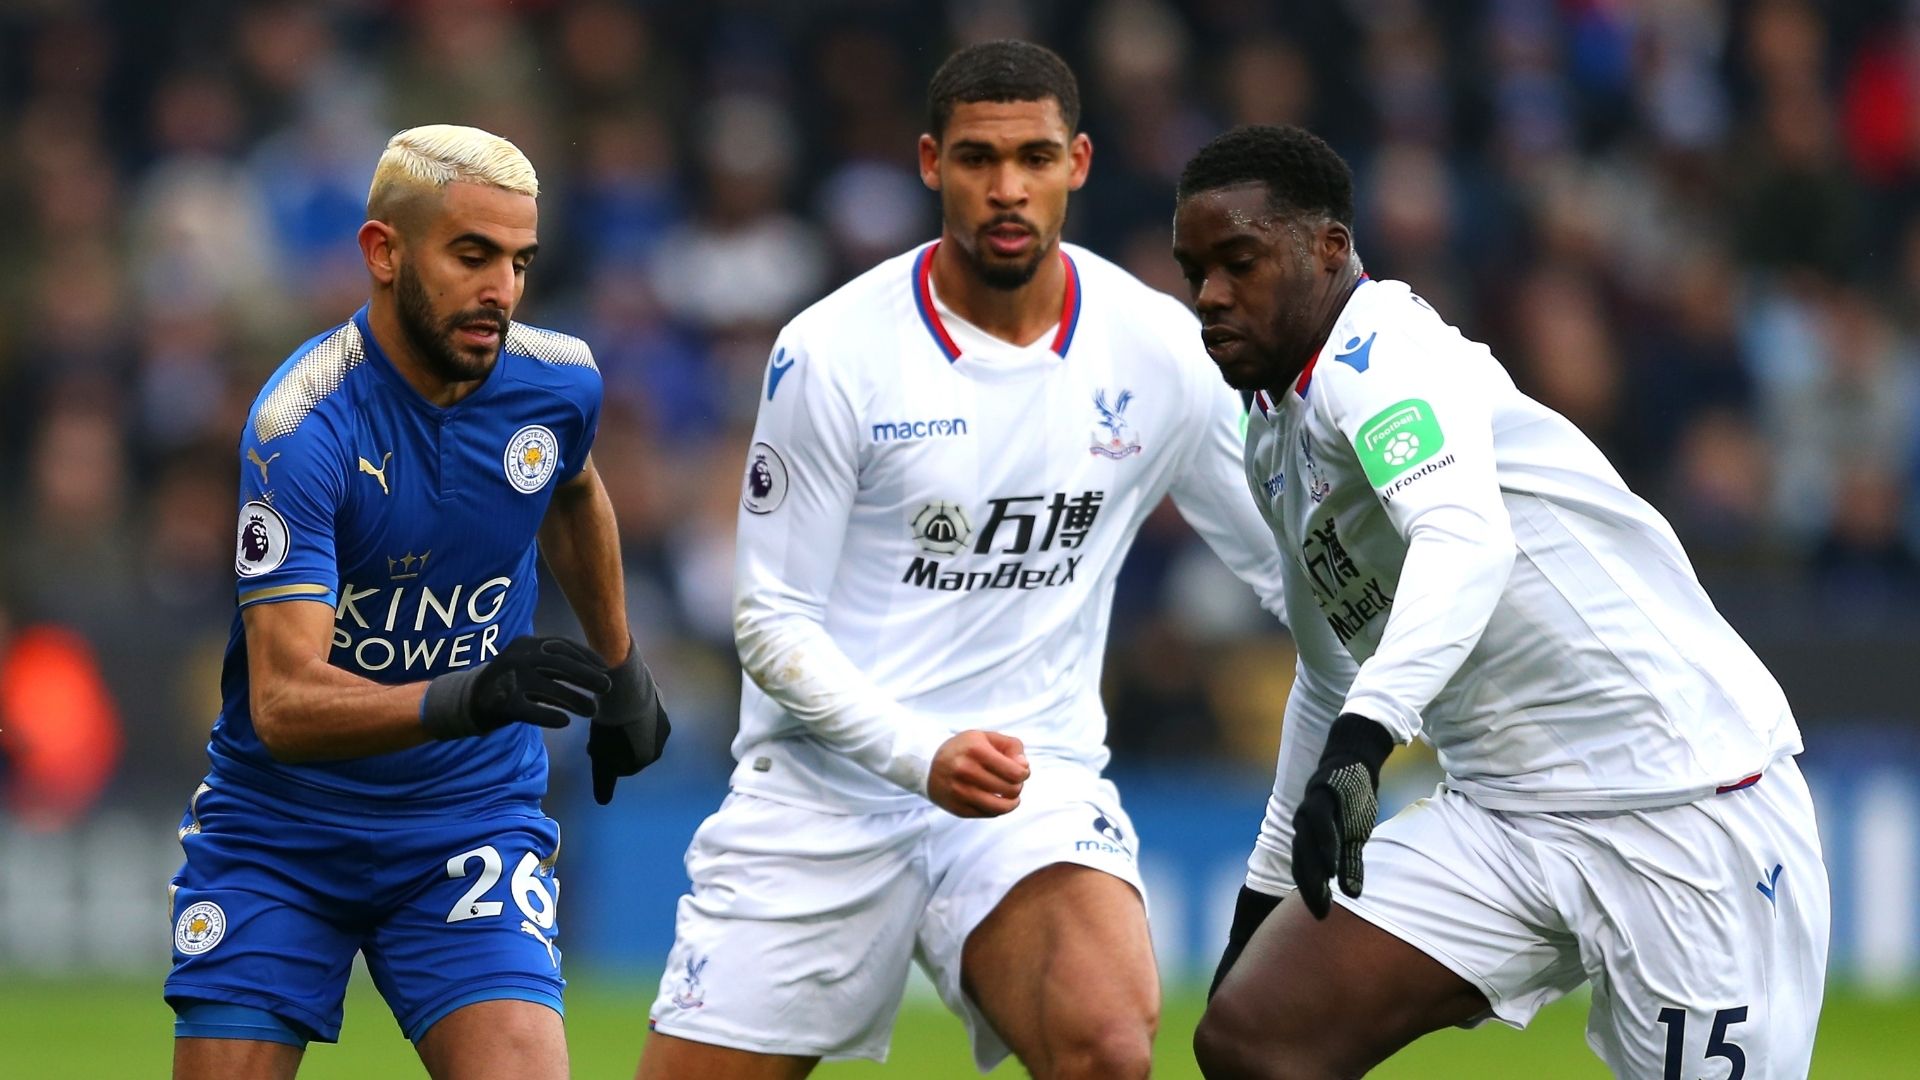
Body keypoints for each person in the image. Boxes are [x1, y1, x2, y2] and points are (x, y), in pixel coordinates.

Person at [636, 41, 1292, 1080]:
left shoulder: (1155, 347)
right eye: (980, 159)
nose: (1006, 188)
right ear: (931, 162)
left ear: (1077, 162)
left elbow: (1287, 556)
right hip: (828, 790)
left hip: (1025, 783)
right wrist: (918, 755)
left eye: (1033, 157)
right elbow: (769, 620)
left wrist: (1432, 659)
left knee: (1108, 1046)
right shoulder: (833, 352)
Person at [1170, 124, 1830, 1079]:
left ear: (1328, 247)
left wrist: (1369, 741)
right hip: (1507, 814)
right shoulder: (1273, 439)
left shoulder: (1385, 357)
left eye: (1239, 261)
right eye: (1195, 271)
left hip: (1679, 797)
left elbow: (1464, 536)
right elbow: (1327, 670)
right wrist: (1263, 895)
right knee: (1254, 1037)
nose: (1211, 296)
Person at [165, 124, 670, 1080]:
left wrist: (622, 668)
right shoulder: (302, 427)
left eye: (520, 262)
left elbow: (571, 489)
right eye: (473, 255)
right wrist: (468, 696)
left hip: (466, 822)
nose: (503, 292)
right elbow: (281, 706)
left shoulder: (558, 382)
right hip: (281, 832)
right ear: (383, 252)